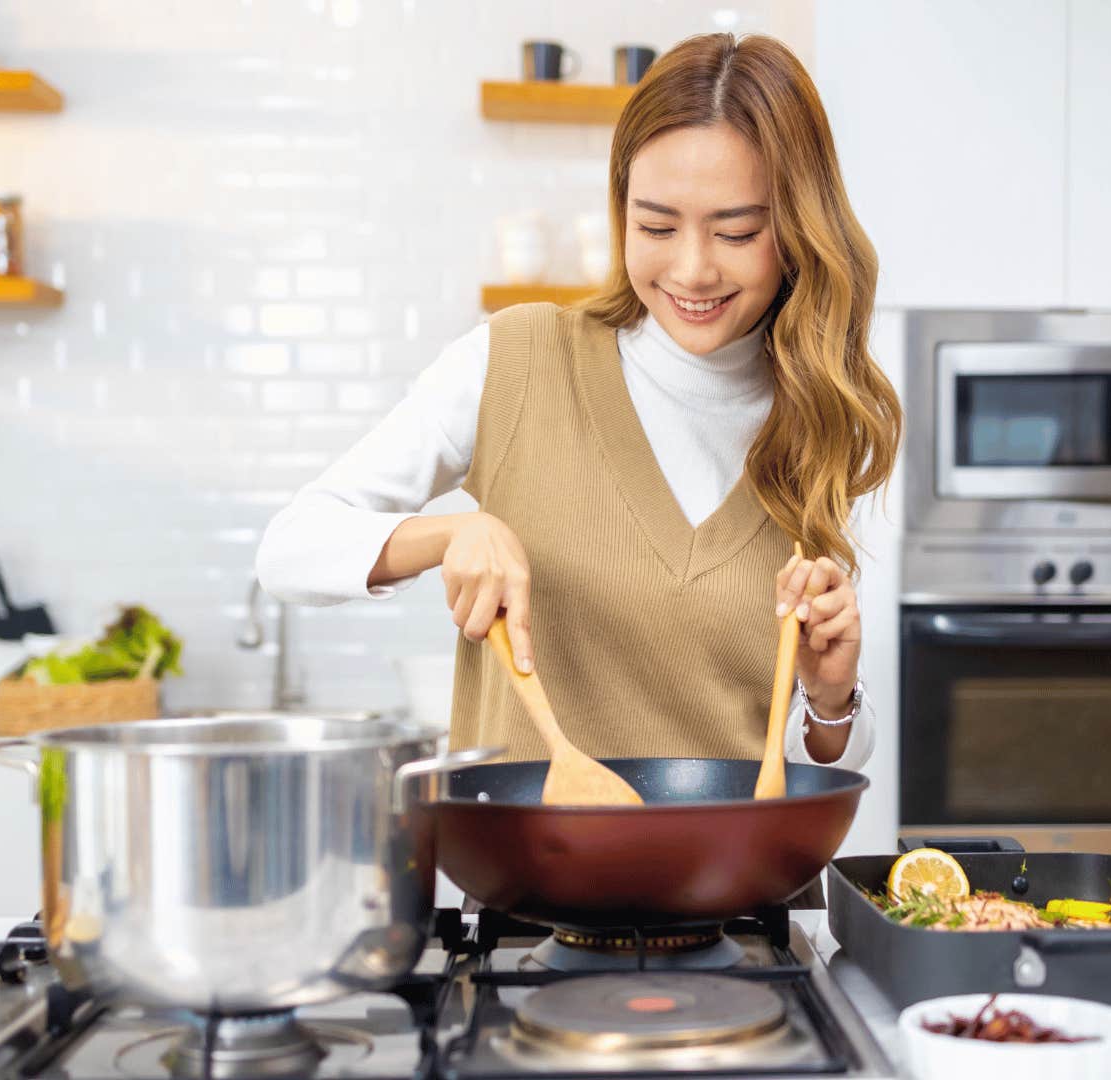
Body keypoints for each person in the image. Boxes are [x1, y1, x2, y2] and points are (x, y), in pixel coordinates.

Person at [257, 32, 900, 772]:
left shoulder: (820, 416)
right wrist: (450, 535)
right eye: (656, 226)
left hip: (734, 881)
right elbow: (290, 548)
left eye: (737, 232)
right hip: (524, 881)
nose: (691, 269)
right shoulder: (518, 360)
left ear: (796, 229)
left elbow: (816, 765)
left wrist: (831, 698)